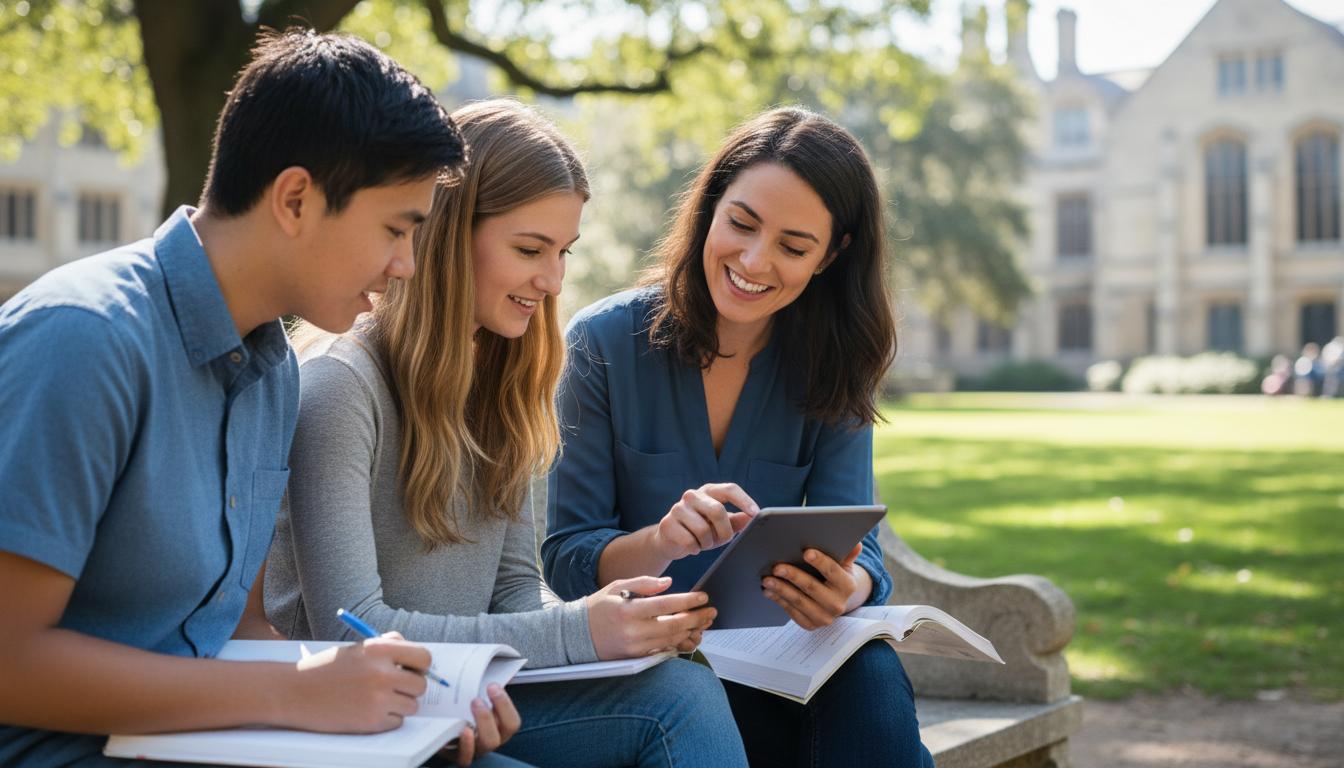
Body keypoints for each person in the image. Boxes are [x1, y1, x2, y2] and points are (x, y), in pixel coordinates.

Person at [0, 28, 532, 767]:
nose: (407, 265)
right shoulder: (84, 340)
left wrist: (401, 701)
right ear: (294, 200)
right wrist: (296, 698)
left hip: (209, 745)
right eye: (396, 229)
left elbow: (238, 633)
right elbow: (9, 664)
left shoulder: (273, 368)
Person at [265, 99, 748, 768]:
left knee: (683, 691)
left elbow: (518, 592)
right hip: (360, 721)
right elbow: (354, 625)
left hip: (473, 697)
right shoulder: (341, 387)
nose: (551, 282)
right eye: (530, 249)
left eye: (563, 253)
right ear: (447, 233)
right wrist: (581, 630)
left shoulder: (508, 388)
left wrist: (613, 621)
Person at [544, 107, 935, 768]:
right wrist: (660, 542)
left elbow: (860, 549)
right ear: (710, 208)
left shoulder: (835, 363)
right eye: (742, 224)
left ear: (832, 255)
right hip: (650, 668)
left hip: (779, 665)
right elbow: (567, 555)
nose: (755, 261)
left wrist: (849, 589)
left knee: (870, 679)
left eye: (794, 245)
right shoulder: (601, 343)